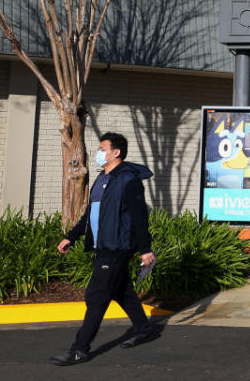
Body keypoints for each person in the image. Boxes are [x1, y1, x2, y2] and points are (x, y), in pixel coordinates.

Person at [51, 132, 159, 366]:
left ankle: (80, 349)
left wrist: (145, 248)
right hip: (102, 245)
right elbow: (91, 214)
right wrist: (72, 236)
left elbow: (140, 217)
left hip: (117, 246)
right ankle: (144, 328)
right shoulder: (101, 179)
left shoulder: (128, 181)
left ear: (116, 152)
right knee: (122, 291)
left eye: (103, 149)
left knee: (97, 295)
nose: (99, 153)